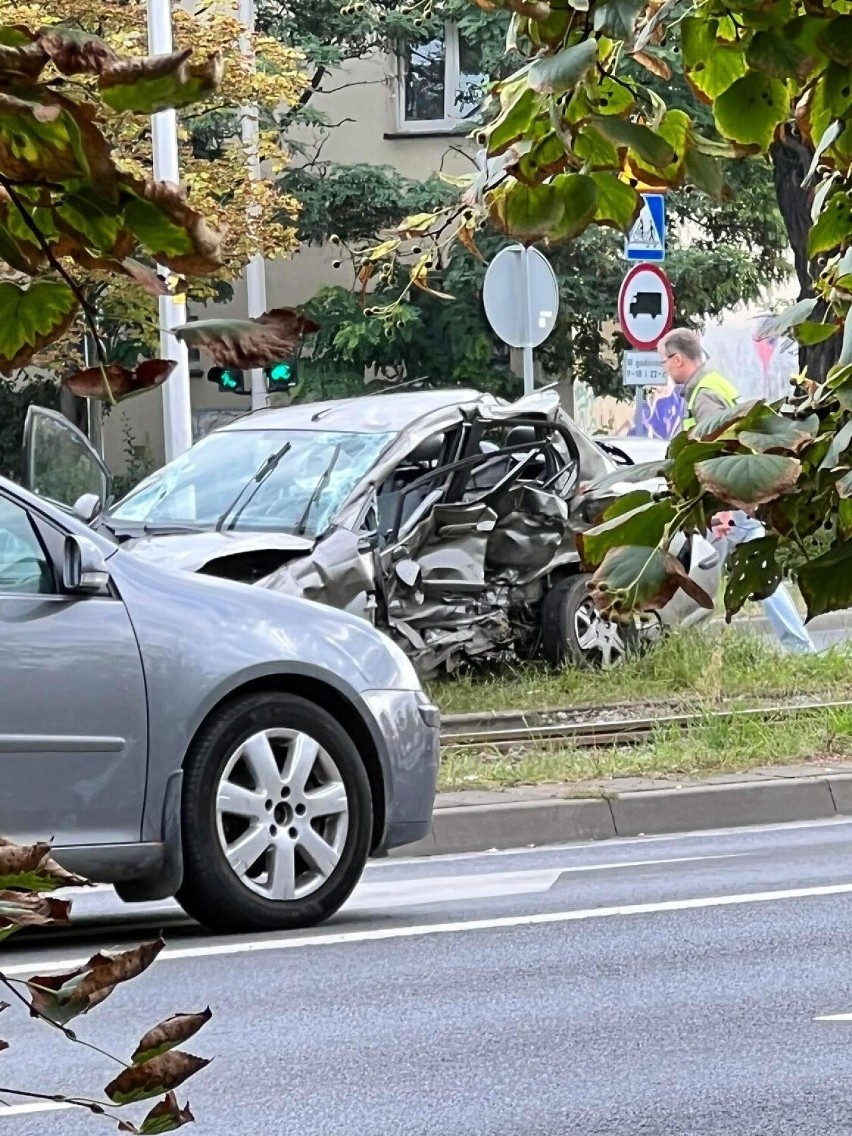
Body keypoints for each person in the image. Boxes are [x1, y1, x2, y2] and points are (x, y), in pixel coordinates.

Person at [658, 328, 816, 655]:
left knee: (699, 571)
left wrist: (727, 506)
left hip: (727, 503)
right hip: (735, 498)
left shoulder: (703, 393)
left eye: (664, 362)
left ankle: (676, 644)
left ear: (678, 359)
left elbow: (718, 452)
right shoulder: (714, 382)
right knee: (746, 573)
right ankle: (799, 647)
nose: (664, 369)